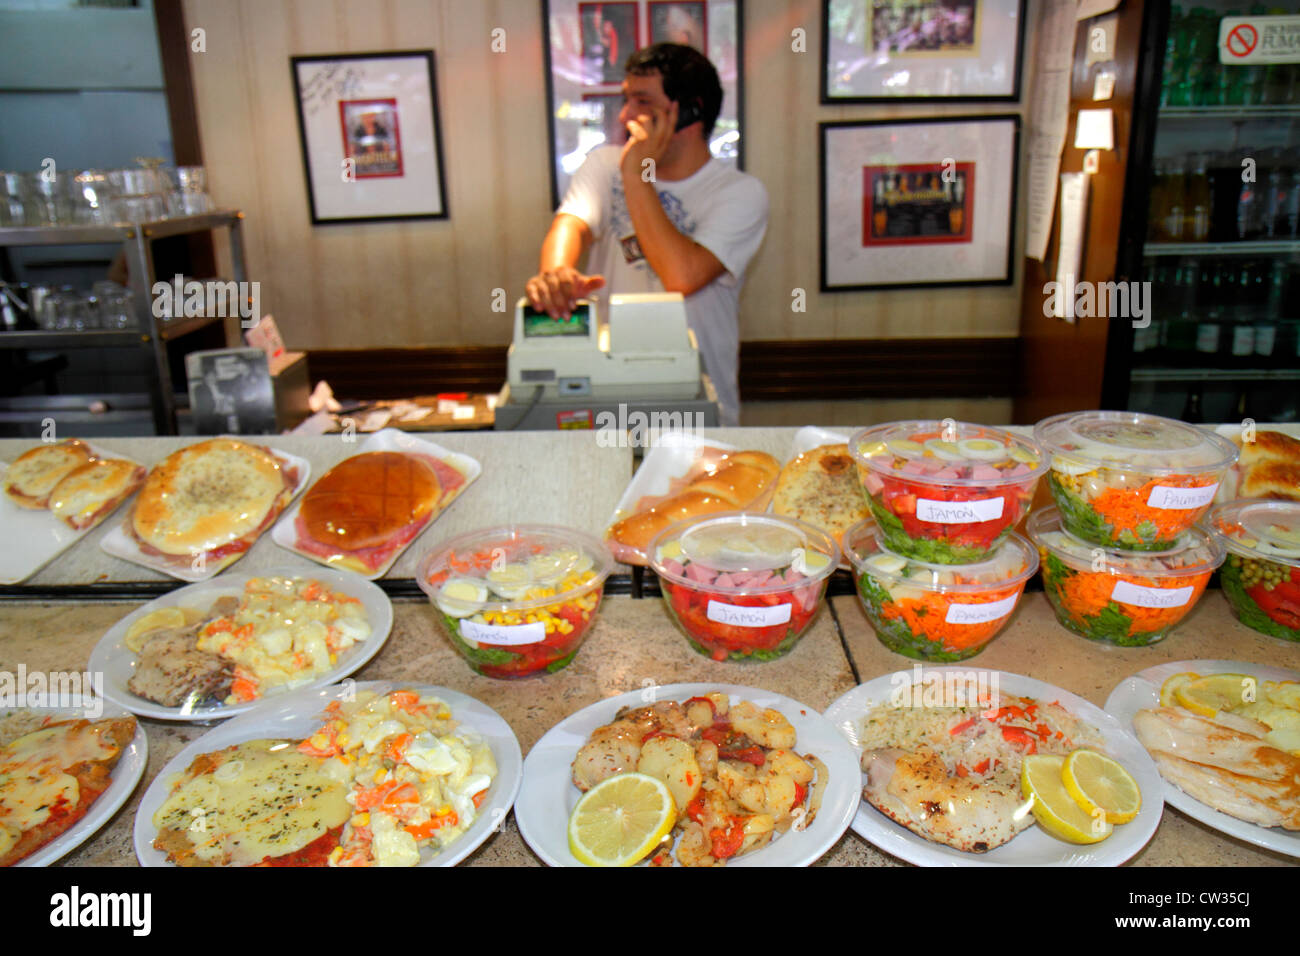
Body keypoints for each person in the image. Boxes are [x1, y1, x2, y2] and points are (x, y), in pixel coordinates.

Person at [526, 43, 768, 427]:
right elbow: (571, 224)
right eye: (626, 99)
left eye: (641, 101)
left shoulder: (739, 194)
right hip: (610, 397)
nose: (625, 115)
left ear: (689, 110)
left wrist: (638, 174)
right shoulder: (605, 164)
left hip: (698, 402)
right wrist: (556, 272)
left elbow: (682, 276)